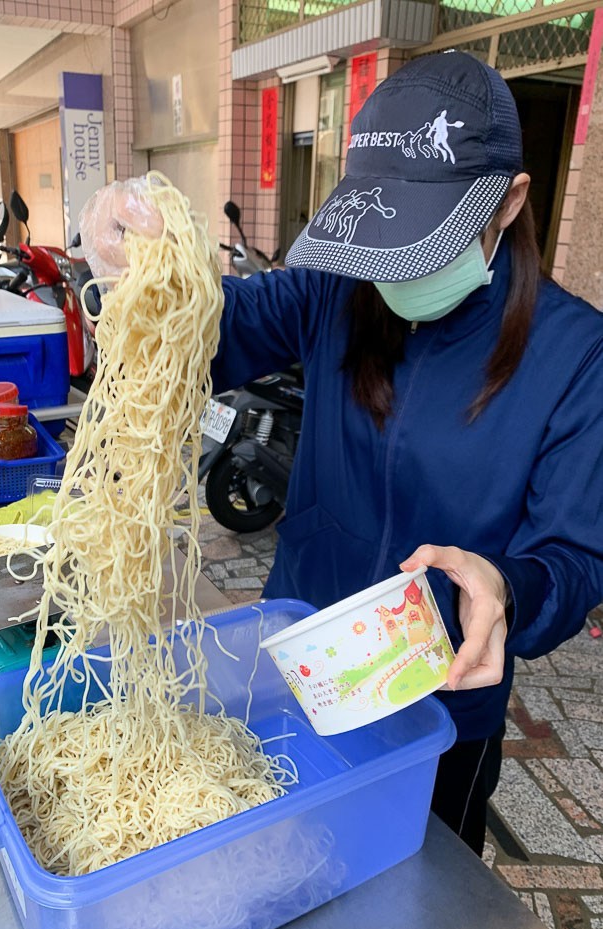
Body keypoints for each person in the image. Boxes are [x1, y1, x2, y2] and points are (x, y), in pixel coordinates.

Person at [82, 51, 603, 856]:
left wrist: (507, 582)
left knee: (413, 905)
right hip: (295, 669)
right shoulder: (337, 287)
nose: (399, 270)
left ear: (511, 200)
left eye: (427, 241)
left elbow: (574, 555)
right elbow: (195, 332)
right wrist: (138, 261)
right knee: (283, 866)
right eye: (386, 239)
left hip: (438, 708)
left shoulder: (576, 356)